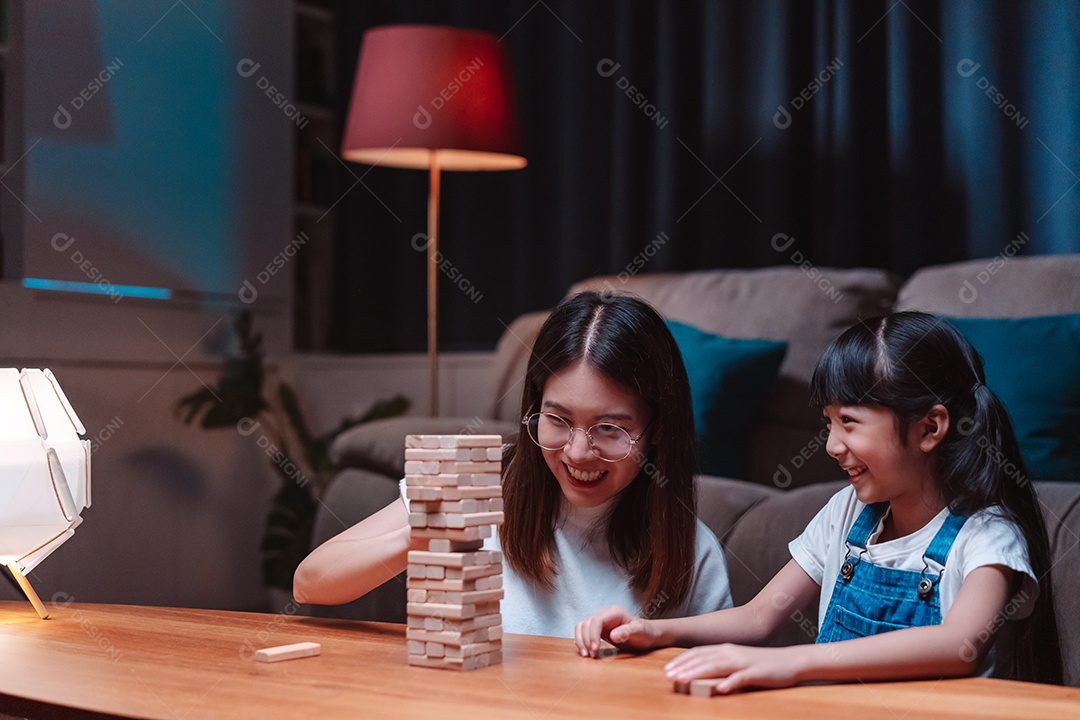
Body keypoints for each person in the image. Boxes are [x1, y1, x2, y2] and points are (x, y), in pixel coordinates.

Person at [575, 311, 1063, 690]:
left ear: (929, 427)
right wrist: (652, 630)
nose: (831, 445)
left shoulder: (986, 535)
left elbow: (961, 645)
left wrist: (790, 662)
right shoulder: (846, 514)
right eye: (827, 423)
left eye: (848, 422)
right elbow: (759, 615)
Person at [294, 290, 733, 636]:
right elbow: (310, 582)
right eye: (558, 420)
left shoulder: (693, 551)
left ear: (655, 431)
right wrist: (428, 531)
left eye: (609, 429)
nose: (578, 454)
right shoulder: (477, 481)